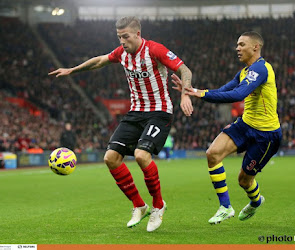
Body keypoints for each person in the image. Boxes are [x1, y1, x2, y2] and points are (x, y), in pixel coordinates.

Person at [49, 16, 193, 232]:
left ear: (137, 34)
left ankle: (158, 205)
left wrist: (185, 93)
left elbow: (185, 70)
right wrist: (72, 70)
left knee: (141, 155)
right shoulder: (121, 53)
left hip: (159, 112)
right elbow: (99, 61)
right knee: (111, 158)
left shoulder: (155, 50)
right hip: (135, 113)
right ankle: (138, 205)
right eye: (119, 37)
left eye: (125, 36)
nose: (122, 41)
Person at [172, 31, 282, 224]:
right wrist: (193, 90)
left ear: (256, 47)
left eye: (242, 44)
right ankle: (225, 207)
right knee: (212, 154)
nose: (237, 48)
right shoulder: (244, 72)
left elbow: (238, 94)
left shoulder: (262, 69)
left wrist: (199, 93)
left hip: (266, 135)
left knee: (244, 181)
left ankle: (256, 202)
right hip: (245, 124)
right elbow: (224, 90)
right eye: (237, 45)